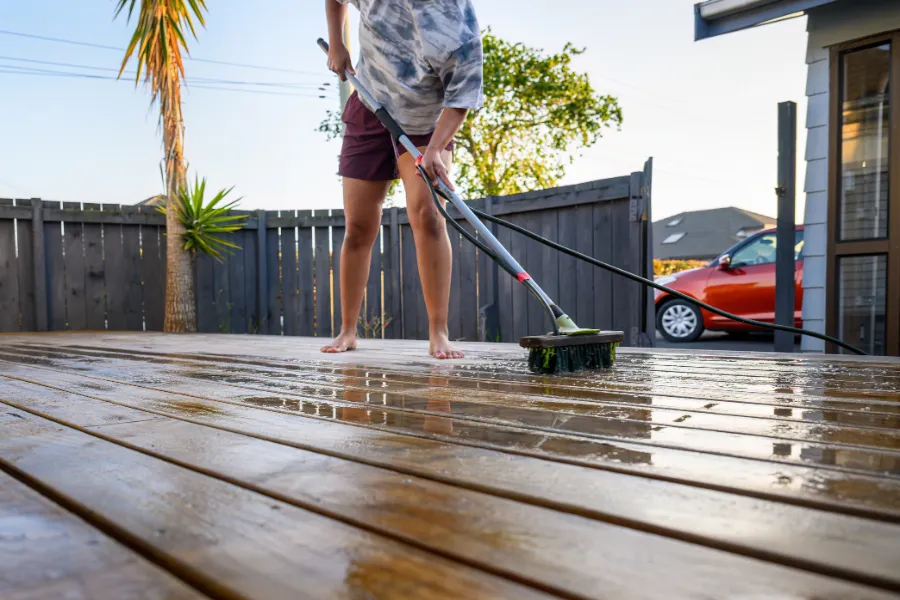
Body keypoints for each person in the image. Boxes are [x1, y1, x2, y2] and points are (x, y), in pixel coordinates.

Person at [321, 0, 484, 359]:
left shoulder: (459, 24)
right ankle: (348, 330)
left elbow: (463, 96)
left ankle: (438, 332)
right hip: (370, 103)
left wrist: (437, 150)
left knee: (427, 215)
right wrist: (337, 43)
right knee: (359, 226)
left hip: (427, 123)